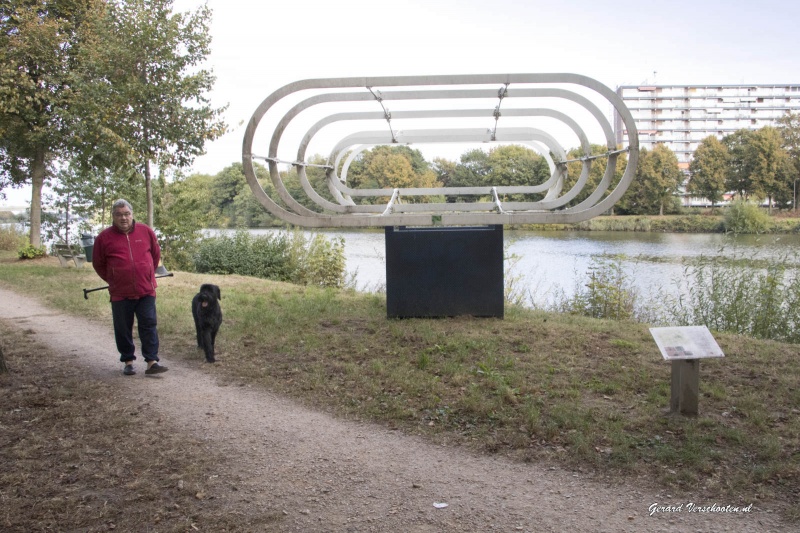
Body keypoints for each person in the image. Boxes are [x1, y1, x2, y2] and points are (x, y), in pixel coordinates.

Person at [92, 199, 168, 376]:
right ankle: (128, 361)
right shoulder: (104, 238)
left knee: (149, 324)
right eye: (119, 215)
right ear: (113, 216)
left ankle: (151, 362)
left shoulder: (146, 232)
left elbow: (155, 256)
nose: (123, 218)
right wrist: (113, 279)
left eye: (126, 214)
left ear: (132, 214)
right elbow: (98, 264)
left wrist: (147, 273)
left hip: (146, 290)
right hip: (120, 293)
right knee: (123, 327)